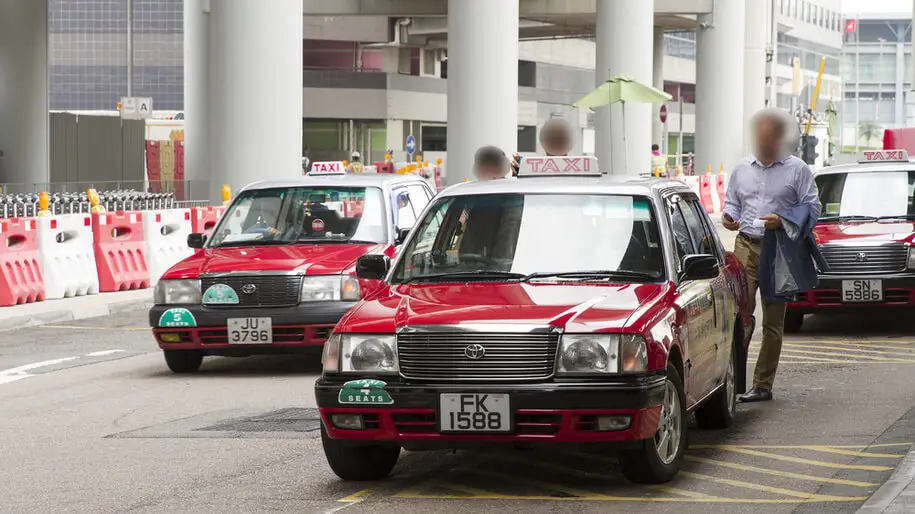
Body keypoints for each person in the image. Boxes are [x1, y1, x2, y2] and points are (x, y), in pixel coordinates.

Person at [722, 108, 820, 403]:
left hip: (779, 249)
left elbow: (812, 209)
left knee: (773, 322)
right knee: (739, 314)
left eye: (768, 139)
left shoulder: (798, 170)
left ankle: (762, 384)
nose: (763, 145)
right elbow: (732, 204)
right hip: (746, 247)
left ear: (779, 139)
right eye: (759, 139)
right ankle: (732, 380)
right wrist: (729, 217)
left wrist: (784, 221)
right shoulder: (741, 169)